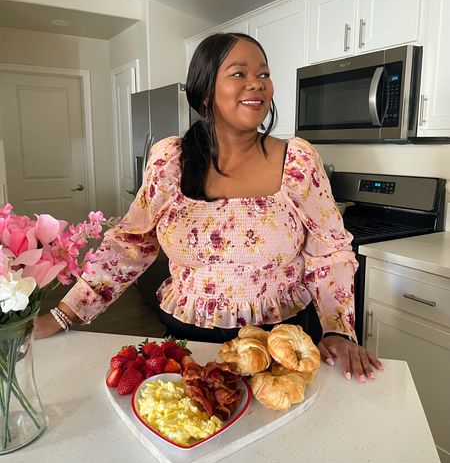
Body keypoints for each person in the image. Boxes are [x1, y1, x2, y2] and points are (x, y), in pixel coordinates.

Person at [37, 32, 383, 382]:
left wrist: (339, 331)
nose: (257, 84)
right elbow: (131, 244)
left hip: (282, 340)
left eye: (263, 74)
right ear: (205, 91)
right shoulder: (170, 161)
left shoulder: (298, 161)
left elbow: (331, 252)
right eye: (239, 74)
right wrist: (66, 313)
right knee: (195, 424)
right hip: (190, 338)